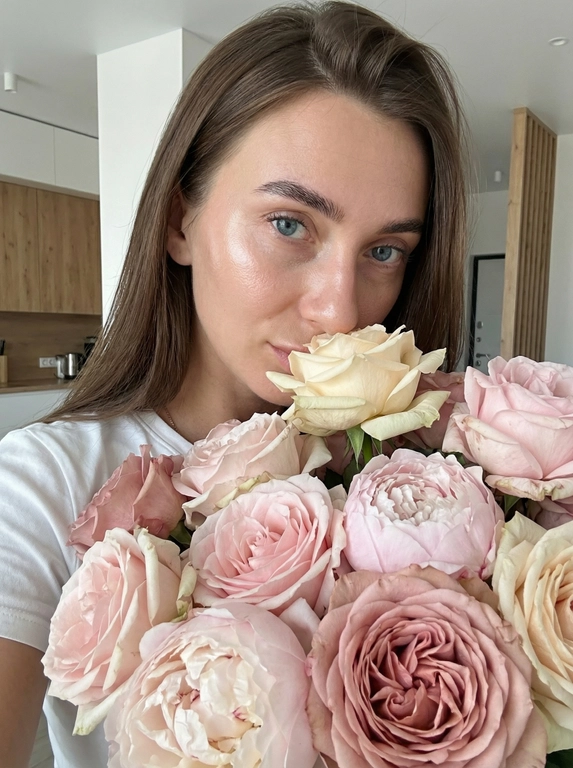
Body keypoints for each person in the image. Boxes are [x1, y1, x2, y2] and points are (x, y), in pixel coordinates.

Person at [0, 2, 470, 766]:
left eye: (383, 251)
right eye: (290, 225)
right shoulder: (44, 486)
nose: (340, 309)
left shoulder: (424, 490)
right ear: (180, 220)